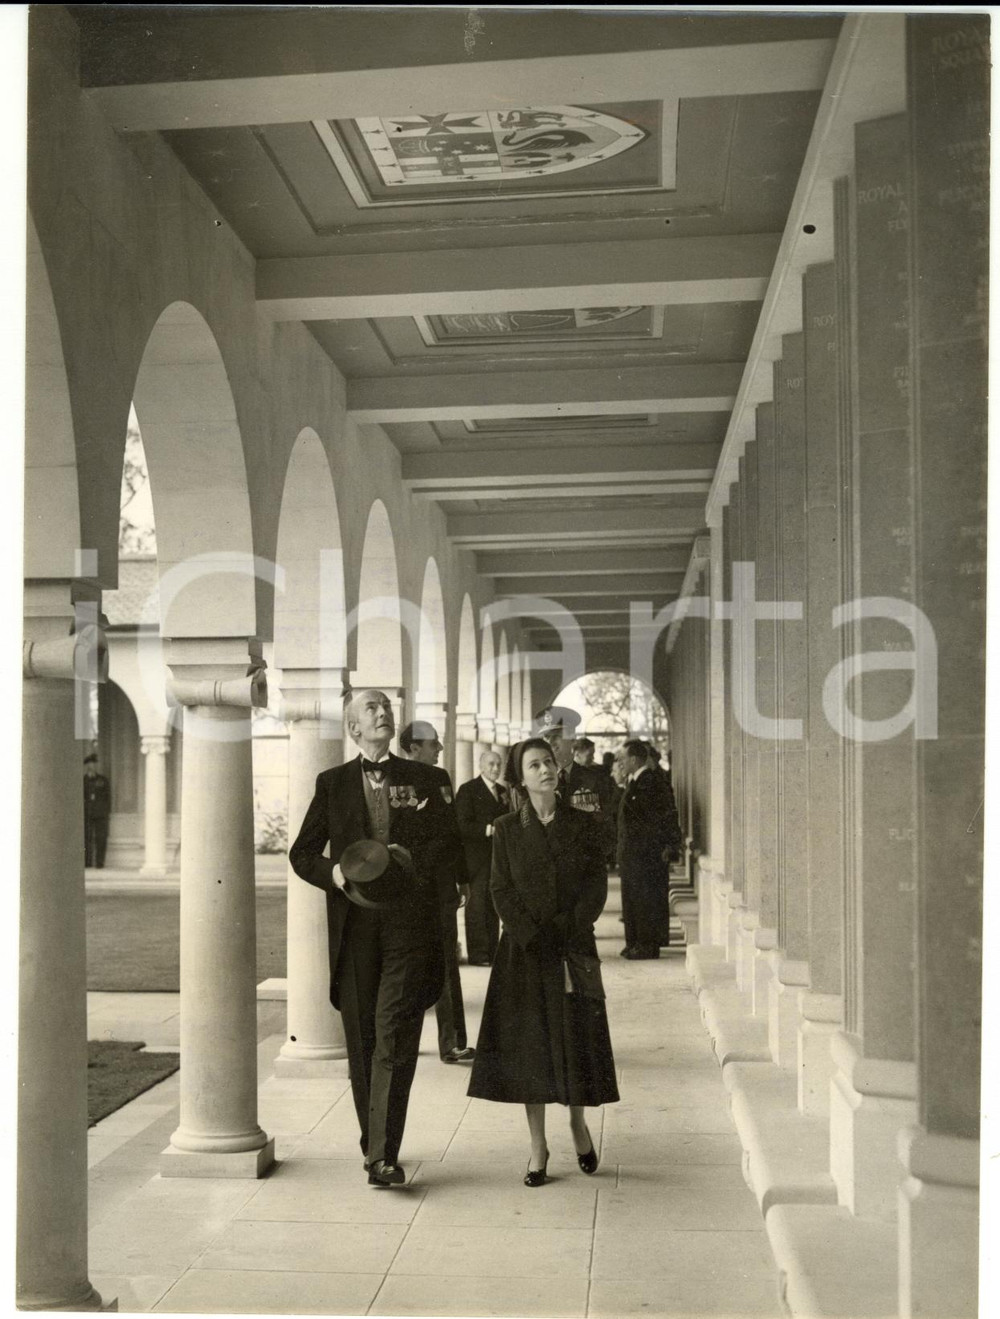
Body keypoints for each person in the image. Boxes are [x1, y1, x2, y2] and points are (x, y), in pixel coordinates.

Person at [289, 690, 456, 1187]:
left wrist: (413, 861)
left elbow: (449, 846)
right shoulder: (332, 783)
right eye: (371, 708)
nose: (382, 713)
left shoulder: (428, 779)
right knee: (362, 1040)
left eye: (387, 706)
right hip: (355, 927)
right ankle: (375, 1143)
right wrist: (335, 873)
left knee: (392, 1033)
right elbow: (301, 853)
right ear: (353, 727)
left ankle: (383, 1154)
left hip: (408, 922)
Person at [468, 738, 619, 1187]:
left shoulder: (583, 825)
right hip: (525, 949)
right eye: (534, 765)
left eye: (549, 762)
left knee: (574, 1039)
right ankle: (538, 1144)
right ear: (521, 777)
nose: (545, 770)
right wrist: (533, 934)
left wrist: (568, 927)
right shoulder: (507, 828)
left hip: (572, 945)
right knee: (528, 1047)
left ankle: (577, 1124)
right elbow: (500, 890)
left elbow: (595, 884)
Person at [399, 720, 475, 1065]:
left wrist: (463, 878)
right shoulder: (392, 778)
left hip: (442, 888)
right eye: (433, 744)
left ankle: (453, 1042)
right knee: (406, 964)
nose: (439, 749)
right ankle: (403, 1040)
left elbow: (452, 832)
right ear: (413, 748)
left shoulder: (440, 778)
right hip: (407, 888)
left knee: (446, 962)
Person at [616, 738, 674, 959]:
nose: (620, 763)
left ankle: (645, 945)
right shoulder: (634, 782)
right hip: (632, 855)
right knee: (631, 900)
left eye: (622, 758)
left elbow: (651, 822)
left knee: (643, 900)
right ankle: (634, 942)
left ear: (633, 759)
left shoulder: (649, 782)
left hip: (643, 855)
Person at [454, 750, 508, 966]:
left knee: (494, 904)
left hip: (497, 857)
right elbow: (461, 824)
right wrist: (488, 830)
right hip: (476, 858)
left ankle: (493, 951)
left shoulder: (503, 791)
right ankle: (479, 954)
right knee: (477, 906)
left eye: (498, 764)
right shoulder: (468, 790)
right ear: (481, 765)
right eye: (491, 764)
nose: (495, 768)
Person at [83, 754, 111, 869]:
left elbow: (108, 798)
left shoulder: (103, 780)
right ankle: (87, 863)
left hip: (101, 814)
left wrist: (106, 812)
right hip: (87, 814)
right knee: (87, 839)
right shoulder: (83, 781)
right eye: (90, 764)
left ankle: (100, 863)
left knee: (101, 839)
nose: (92, 767)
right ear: (87, 766)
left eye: (94, 764)